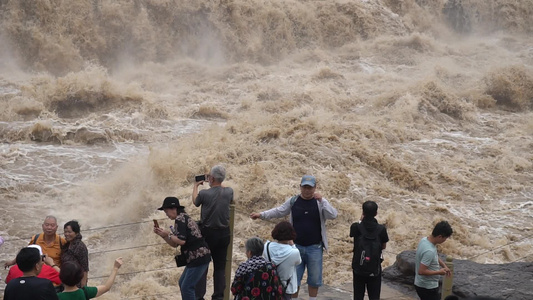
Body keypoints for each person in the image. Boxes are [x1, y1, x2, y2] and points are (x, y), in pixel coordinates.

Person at [250, 175, 338, 300]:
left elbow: (333, 215)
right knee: (294, 279)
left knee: (314, 279)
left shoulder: (320, 203)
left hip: (315, 247)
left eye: (310, 188)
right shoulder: (293, 201)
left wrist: (323, 200)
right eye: (305, 187)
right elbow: (279, 211)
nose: (307, 190)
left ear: (315, 188)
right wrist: (261, 215)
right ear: (300, 187)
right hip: (295, 247)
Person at [154, 196, 211, 300]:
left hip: (199, 257)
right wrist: (163, 235)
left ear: (173, 209)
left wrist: (168, 234)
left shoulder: (180, 219)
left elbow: (181, 241)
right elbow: (175, 244)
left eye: (166, 211)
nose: (166, 215)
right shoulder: (182, 218)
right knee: (183, 283)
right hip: (197, 257)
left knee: (186, 287)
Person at [192, 164, 233, 300]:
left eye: (210, 176)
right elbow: (224, 194)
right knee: (220, 267)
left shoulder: (204, 194)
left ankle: (199, 297)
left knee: (203, 264)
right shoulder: (229, 191)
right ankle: (218, 296)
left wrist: (196, 186)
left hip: (208, 234)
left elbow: (195, 202)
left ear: (212, 178)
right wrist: (215, 180)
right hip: (224, 233)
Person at [350, 201, 389, 300]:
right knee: (374, 296)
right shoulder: (381, 229)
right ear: (376, 213)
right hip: (374, 268)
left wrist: (360, 220)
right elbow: (383, 246)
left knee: (358, 296)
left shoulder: (356, 227)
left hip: (359, 266)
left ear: (363, 212)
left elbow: (354, 235)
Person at [415, 221, 453, 300]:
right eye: (445, 238)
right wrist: (439, 272)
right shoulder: (429, 251)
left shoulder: (424, 240)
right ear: (440, 236)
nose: (445, 240)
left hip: (420, 283)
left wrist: (444, 266)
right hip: (427, 287)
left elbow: (434, 256)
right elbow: (421, 271)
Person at [263, 221, 302, 300]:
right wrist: (293, 245)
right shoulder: (294, 252)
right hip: (285, 287)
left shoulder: (266, 246)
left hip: (268, 284)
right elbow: (299, 261)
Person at [57, 258, 122, 299]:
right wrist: (115, 268)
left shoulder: (57, 297)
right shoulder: (85, 292)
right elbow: (106, 287)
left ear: (60, 277)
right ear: (80, 277)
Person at [61, 220, 89, 287]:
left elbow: (85, 267)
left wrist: (83, 285)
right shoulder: (67, 244)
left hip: (77, 282)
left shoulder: (80, 246)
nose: (67, 234)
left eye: (70, 232)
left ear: (76, 233)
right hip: (67, 281)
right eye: (65, 232)